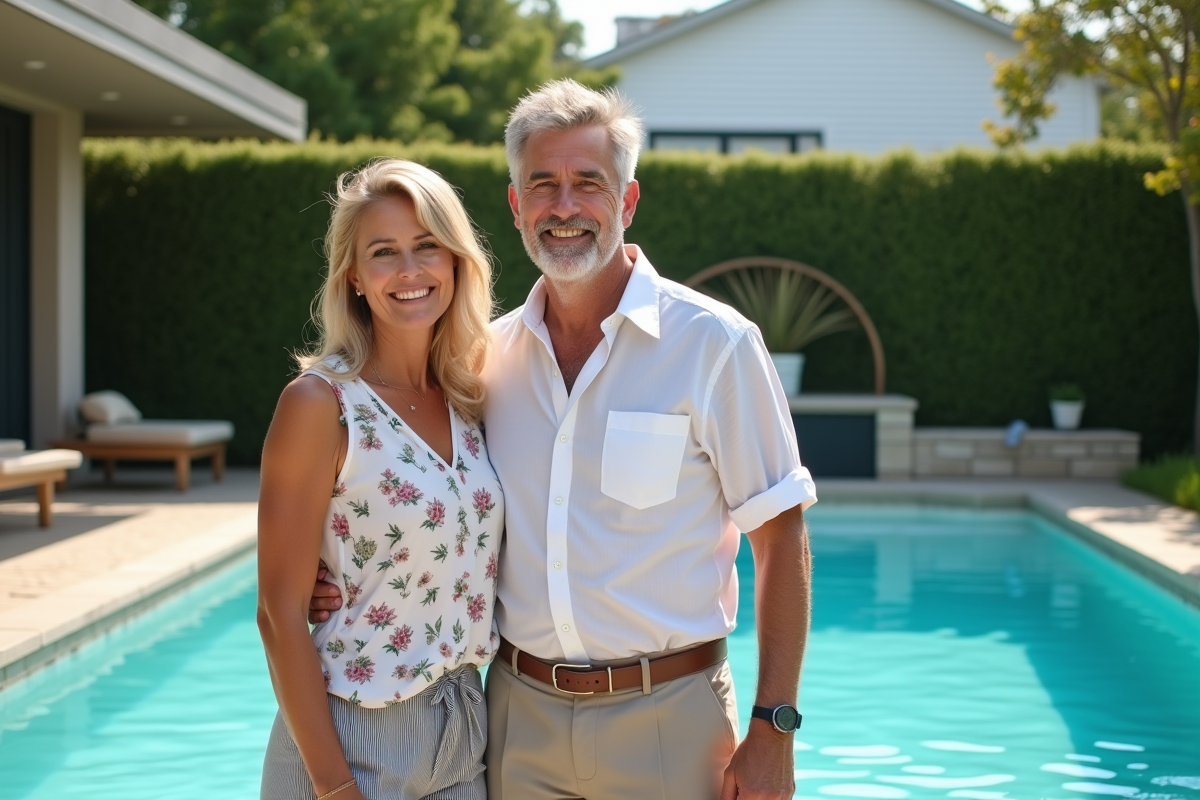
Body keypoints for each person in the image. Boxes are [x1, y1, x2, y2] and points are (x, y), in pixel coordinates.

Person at [311, 80, 816, 800]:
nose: (566, 207)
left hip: (669, 716)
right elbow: (420, 492)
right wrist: (321, 573)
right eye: (542, 184)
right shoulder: (483, 359)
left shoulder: (715, 346)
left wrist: (775, 725)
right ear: (517, 206)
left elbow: (780, 535)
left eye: (589, 183)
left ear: (628, 201)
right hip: (518, 718)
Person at [258, 158, 504, 800]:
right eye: (384, 252)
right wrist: (336, 789)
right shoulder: (321, 403)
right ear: (355, 278)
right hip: (348, 741)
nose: (410, 271)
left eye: (428, 247)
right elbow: (279, 613)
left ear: (456, 262)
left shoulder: (470, 396)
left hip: (463, 725)